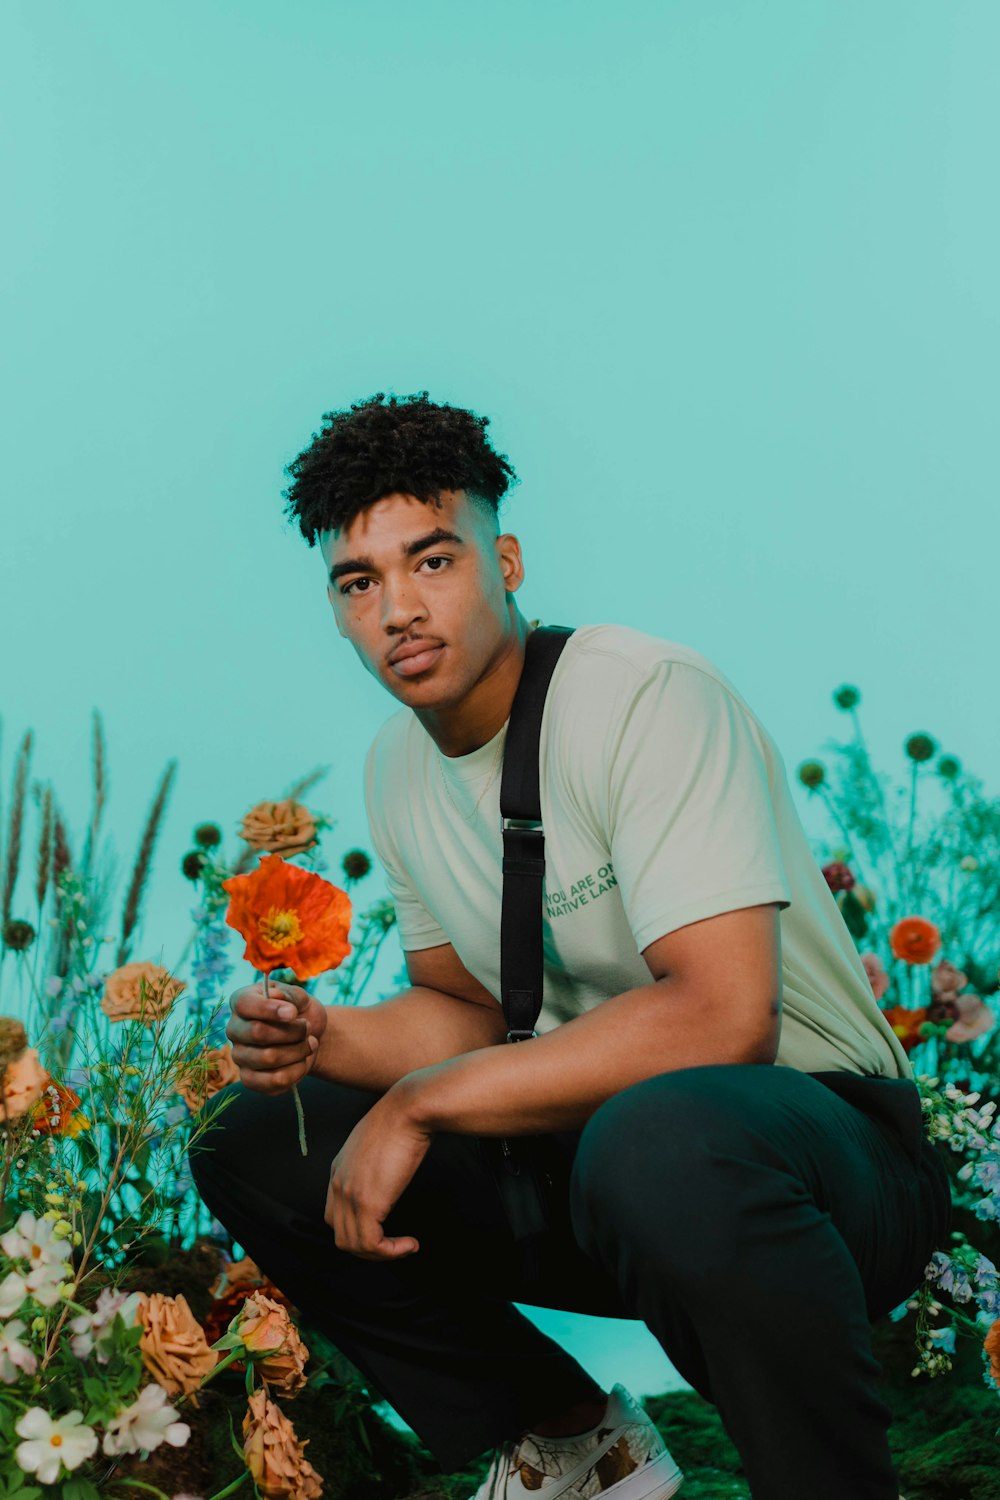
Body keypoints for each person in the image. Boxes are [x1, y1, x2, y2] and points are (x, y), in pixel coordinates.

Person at [190, 391, 951, 1500]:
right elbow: (460, 1011)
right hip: (605, 1161)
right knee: (254, 1137)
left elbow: (721, 1019)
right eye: (360, 583)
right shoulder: (396, 770)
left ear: (505, 560)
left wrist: (418, 1104)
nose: (399, 608)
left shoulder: (643, 694)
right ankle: (576, 1446)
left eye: (433, 561)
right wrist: (324, 1035)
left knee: (658, 1137)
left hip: (823, 1164)